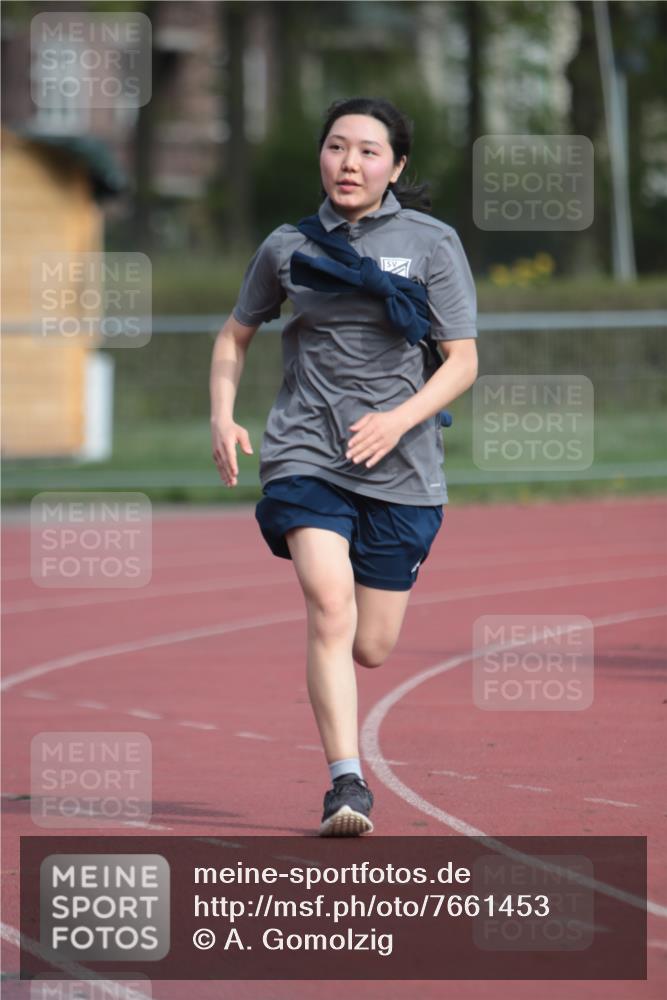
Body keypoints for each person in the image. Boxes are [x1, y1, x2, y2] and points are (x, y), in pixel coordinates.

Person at [210, 96, 478, 837]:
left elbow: (462, 361)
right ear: (321, 157)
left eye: (367, 151)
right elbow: (235, 335)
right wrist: (222, 414)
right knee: (328, 604)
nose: (348, 163)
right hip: (306, 451)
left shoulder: (432, 244)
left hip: (403, 466)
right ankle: (346, 784)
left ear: (396, 165)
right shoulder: (286, 247)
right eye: (336, 147)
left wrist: (397, 419)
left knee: (370, 646)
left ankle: (361, 646)